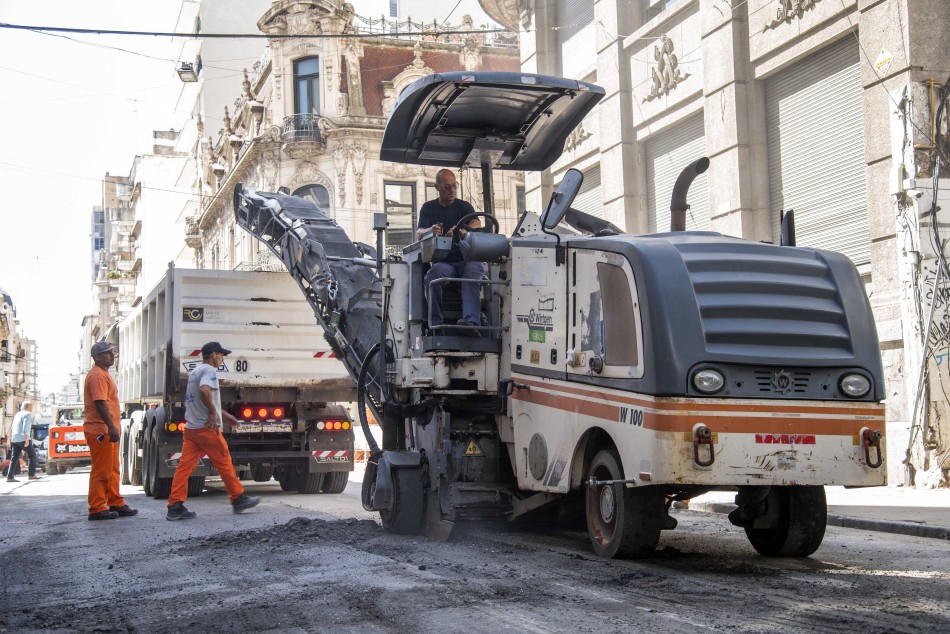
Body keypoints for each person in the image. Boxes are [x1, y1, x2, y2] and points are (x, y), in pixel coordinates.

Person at [166, 341, 260, 520]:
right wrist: (212, 413)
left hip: (192, 429)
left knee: (184, 468)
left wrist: (223, 414)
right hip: (206, 429)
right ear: (213, 355)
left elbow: (203, 397)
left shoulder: (195, 372)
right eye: (221, 354)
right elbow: (204, 391)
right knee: (224, 461)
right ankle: (238, 498)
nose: (222, 358)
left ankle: (175, 505)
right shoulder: (209, 371)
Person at [416, 168, 486, 334]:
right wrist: (430, 230)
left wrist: (462, 229)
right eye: (447, 187)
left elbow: (476, 223)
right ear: (437, 187)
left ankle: (471, 322)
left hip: (467, 259)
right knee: (432, 277)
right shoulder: (428, 208)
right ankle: (436, 326)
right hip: (444, 262)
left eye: (455, 186)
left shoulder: (464, 206)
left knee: (473, 272)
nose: (452, 190)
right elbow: (419, 233)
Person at [83, 341, 138, 521]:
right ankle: (97, 508)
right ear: (97, 357)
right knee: (102, 470)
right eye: (107, 353)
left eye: (112, 352)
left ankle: (115, 502)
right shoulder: (97, 376)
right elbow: (100, 403)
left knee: (113, 469)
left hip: (106, 430)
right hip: (101, 430)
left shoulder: (103, 374)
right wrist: (111, 426)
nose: (112, 355)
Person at [6, 401, 38, 482]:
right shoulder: (27, 414)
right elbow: (25, 427)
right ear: (27, 406)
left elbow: (13, 426)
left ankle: (10, 476)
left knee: (14, 458)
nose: (32, 407)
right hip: (23, 438)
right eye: (31, 406)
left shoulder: (18, 414)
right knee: (32, 455)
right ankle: (31, 474)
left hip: (14, 438)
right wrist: (27, 439)